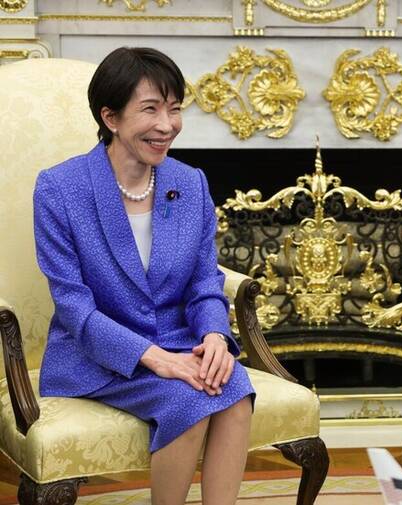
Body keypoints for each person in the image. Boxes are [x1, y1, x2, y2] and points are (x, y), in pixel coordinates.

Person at [33, 47, 254, 505]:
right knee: (189, 400)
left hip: (179, 342)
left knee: (236, 390)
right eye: (151, 109)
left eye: (174, 109)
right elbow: (74, 308)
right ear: (110, 117)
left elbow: (203, 283)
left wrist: (215, 336)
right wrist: (155, 358)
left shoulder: (189, 182)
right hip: (95, 356)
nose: (167, 125)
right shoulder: (60, 189)